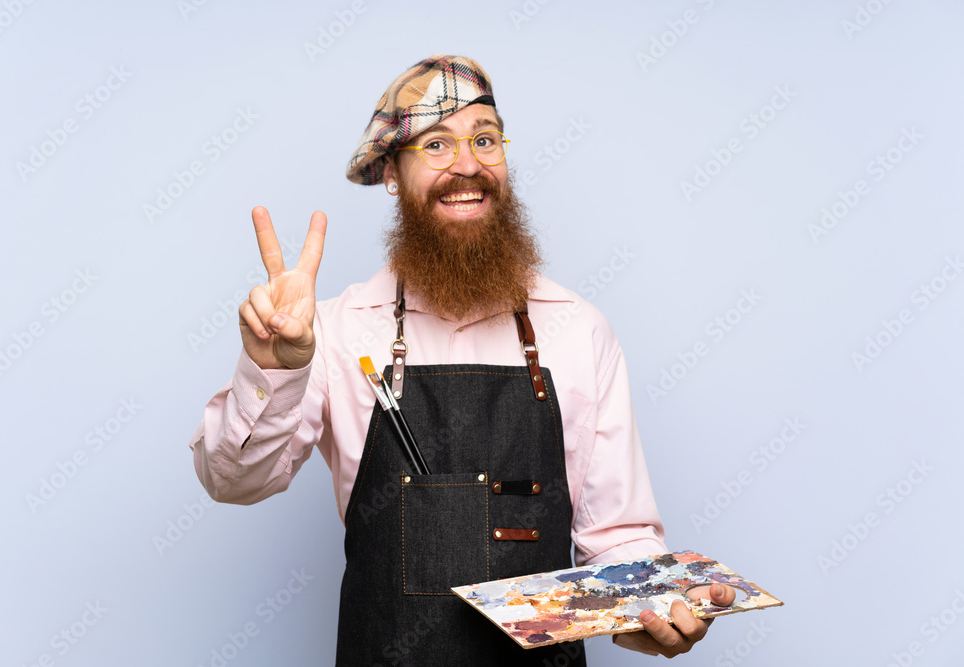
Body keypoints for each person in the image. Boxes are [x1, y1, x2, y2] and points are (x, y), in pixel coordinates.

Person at [190, 55, 733, 666]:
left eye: (483, 138)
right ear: (392, 173)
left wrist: (648, 610)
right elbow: (231, 481)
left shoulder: (579, 330)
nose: (468, 164)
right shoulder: (337, 330)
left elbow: (617, 538)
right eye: (436, 144)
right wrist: (275, 367)